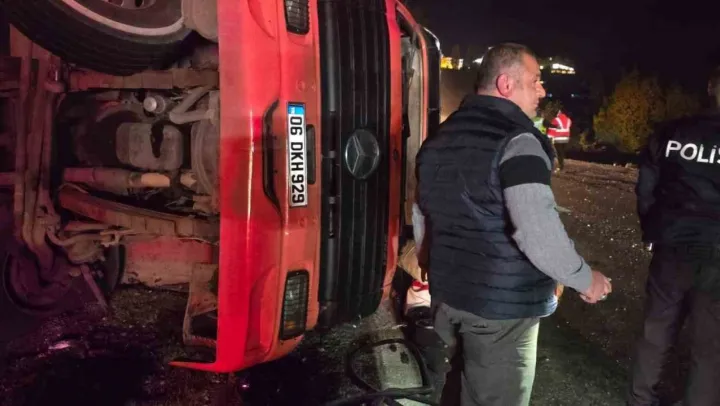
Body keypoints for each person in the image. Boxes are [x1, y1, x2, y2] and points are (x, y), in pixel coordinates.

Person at [415, 43, 612, 406]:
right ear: (506, 84)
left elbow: (423, 213)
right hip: (501, 312)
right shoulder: (519, 142)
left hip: (448, 295)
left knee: (457, 386)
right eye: (535, 81)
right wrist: (585, 279)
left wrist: (430, 264)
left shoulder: (440, 138)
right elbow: (536, 231)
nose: (542, 90)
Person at [628, 67, 720, 406]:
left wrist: (652, 230)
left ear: (711, 87)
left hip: (672, 244)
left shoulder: (672, 132)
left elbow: (646, 188)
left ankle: (640, 399)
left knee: (656, 329)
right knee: (710, 342)